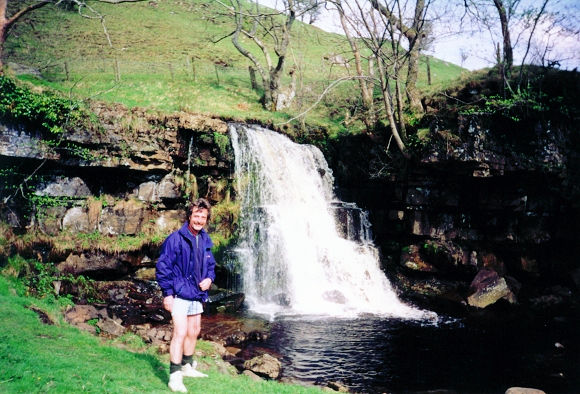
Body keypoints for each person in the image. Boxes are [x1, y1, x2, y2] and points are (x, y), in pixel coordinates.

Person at [156, 198, 216, 392]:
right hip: (180, 293)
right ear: (189, 216)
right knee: (180, 332)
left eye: (203, 217)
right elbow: (163, 267)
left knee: (194, 330)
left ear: (206, 219)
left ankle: (187, 366)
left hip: (197, 293)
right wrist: (167, 294)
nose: (199, 220)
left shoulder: (205, 238)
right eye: (196, 216)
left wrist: (209, 279)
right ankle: (174, 377)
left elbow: (211, 265)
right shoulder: (175, 239)